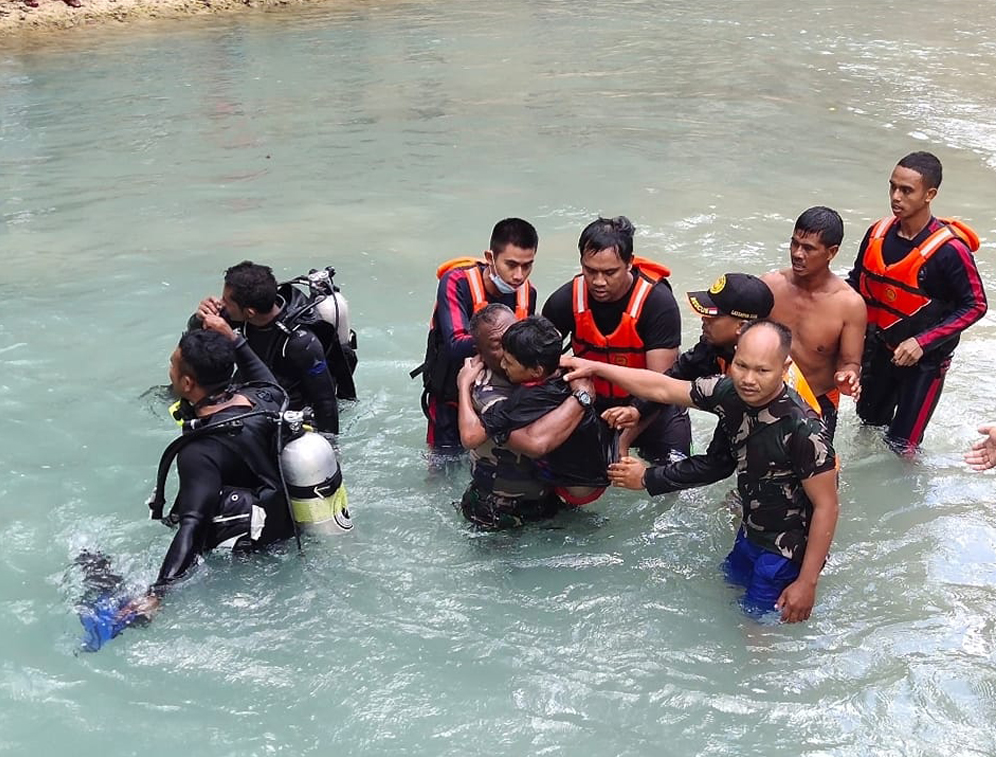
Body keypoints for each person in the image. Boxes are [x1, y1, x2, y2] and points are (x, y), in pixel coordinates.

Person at [564, 320, 839, 623]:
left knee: (758, 632)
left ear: (785, 366)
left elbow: (827, 506)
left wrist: (807, 583)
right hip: (752, 532)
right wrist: (596, 368)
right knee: (730, 593)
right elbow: (661, 386)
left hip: (787, 551)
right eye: (741, 365)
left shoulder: (804, 430)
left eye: (762, 371)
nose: (748, 379)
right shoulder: (730, 392)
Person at [122, 318, 297, 623]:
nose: (170, 372)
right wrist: (235, 339)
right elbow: (264, 378)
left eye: (172, 366)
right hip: (289, 527)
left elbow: (192, 525)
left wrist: (157, 593)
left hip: (250, 561)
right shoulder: (268, 398)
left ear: (187, 383)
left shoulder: (198, 451)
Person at [847, 151, 988, 453]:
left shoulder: (950, 251)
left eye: (906, 190)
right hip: (881, 351)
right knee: (867, 424)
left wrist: (923, 342)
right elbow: (855, 285)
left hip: (925, 363)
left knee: (903, 447)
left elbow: (976, 305)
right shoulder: (877, 233)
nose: (896, 197)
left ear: (930, 194)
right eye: (892, 187)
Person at [607, 273, 777, 494]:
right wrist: (637, 409)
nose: (703, 320)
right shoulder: (715, 347)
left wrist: (647, 478)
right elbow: (673, 379)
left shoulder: (753, 384)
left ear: (741, 327)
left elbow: (719, 463)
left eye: (712, 316)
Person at [542, 215, 691, 464]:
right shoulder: (565, 300)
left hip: (652, 409)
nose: (599, 282)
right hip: (594, 406)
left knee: (673, 477)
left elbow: (662, 384)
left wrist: (621, 441)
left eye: (610, 272)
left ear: (630, 263)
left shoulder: (658, 304)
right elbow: (537, 364)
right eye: (590, 271)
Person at [455, 304, 593, 529]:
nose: (512, 347)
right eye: (498, 345)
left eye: (514, 334)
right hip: (496, 510)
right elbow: (535, 443)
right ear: (479, 350)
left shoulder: (535, 362)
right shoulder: (484, 389)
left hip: (545, 499)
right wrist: (582, 397)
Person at [418, 218, 539, 453]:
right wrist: (510, 341)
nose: (518, 275)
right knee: (444, 464)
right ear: (490, 257)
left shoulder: (528, 294)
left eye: (527, 266)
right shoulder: (456, 282)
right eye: (511, 264)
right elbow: (455, 344)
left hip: (497, 401)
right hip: (450, 397)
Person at [192, 261, 347, 435]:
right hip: (249, 390)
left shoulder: (302, 343)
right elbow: (196, 350)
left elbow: (325, 402)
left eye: (226, 301)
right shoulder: (241, 315)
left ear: (250, 313)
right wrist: (200, 319)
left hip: (286, 408)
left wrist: (330, 446)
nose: (221, 303)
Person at [761, 206, 867, 441]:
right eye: (794, 243)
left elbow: (850, 362)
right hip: (765, 395)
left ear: (832, 252)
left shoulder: (849, 305)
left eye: (808, 248)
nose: (798, 253)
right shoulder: (770, 286)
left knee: (814, 474)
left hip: (817, 402)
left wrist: (847, 376)